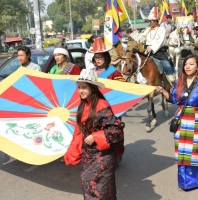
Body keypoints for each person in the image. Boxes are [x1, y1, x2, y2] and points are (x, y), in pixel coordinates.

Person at [64, 68, 124, 199]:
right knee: (88, 188)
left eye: (84, 87)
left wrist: (96, 136)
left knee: (102, 192)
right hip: (88, 156)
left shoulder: (102, 105)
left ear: (93, 88)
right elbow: (79, 131)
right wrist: (72, 152)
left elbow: (116, 131)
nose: (81, 91)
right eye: (79, 87)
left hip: (103, 157)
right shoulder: (83, 105)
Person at [155, 54, 198, 191]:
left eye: (191, 64)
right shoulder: (180, 83)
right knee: (182, 152)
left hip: (196, 120)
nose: (187, 66)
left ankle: (194, 181)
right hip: (182, 120)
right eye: (186, 64)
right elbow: (174, 99)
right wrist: (162, 90)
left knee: (195, 152)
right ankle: (184, 182)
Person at [89, 37, 125, 166]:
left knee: (111, 132)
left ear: (106, 58)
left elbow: (122, 88)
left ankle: (114, 157)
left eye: (100, 57)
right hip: (94, 107)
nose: (98, 60)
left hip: (110, 107)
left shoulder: (114, 72)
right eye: (96, 58)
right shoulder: (91, 72)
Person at [130, 7, 176, 82]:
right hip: (148, 52)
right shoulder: (148, 29)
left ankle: (171, 81)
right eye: (149, 21)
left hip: (159, 52)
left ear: (156, 21)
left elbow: (160, 42)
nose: (150, 22)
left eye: (151, 21)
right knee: (138, 65)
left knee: (167, 66)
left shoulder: (162, 29)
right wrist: (135, 32)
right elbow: (141, 39)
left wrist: (152, 47)